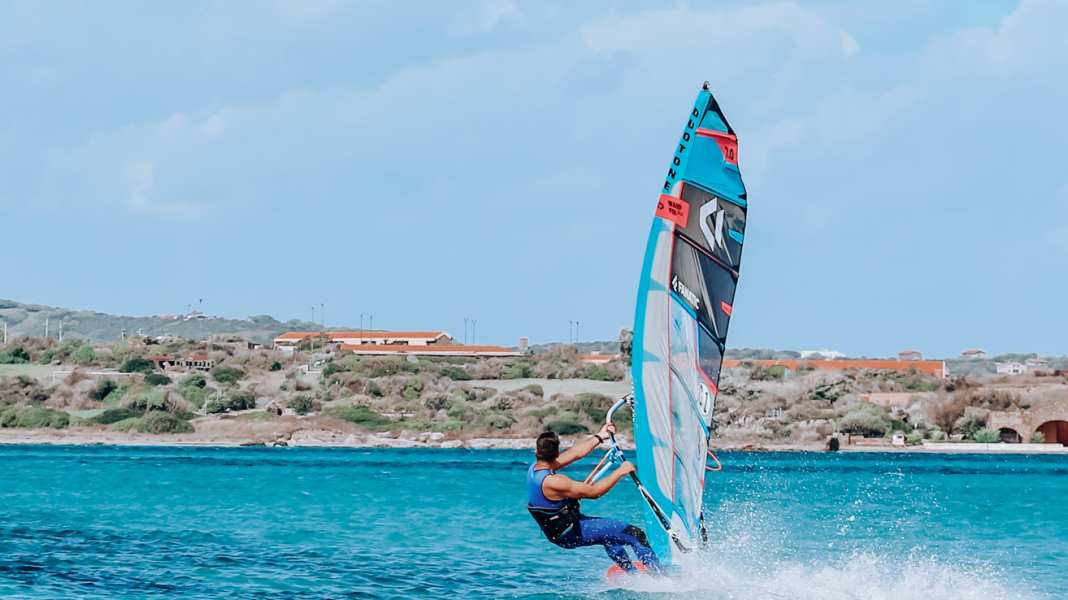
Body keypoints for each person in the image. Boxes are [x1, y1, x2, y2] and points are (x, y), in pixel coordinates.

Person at [526, 424, 662, 574]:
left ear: (537, 451)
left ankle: (632, 574)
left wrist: (600, 436)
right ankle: (661, 578)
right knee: (636, 534)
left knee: (610, 537)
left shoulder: (535, 469)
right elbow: (594, 492)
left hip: (561, 532)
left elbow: (575, 453)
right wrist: (620, 471)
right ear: (557, 453)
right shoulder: (554, 482)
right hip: (572, 533)